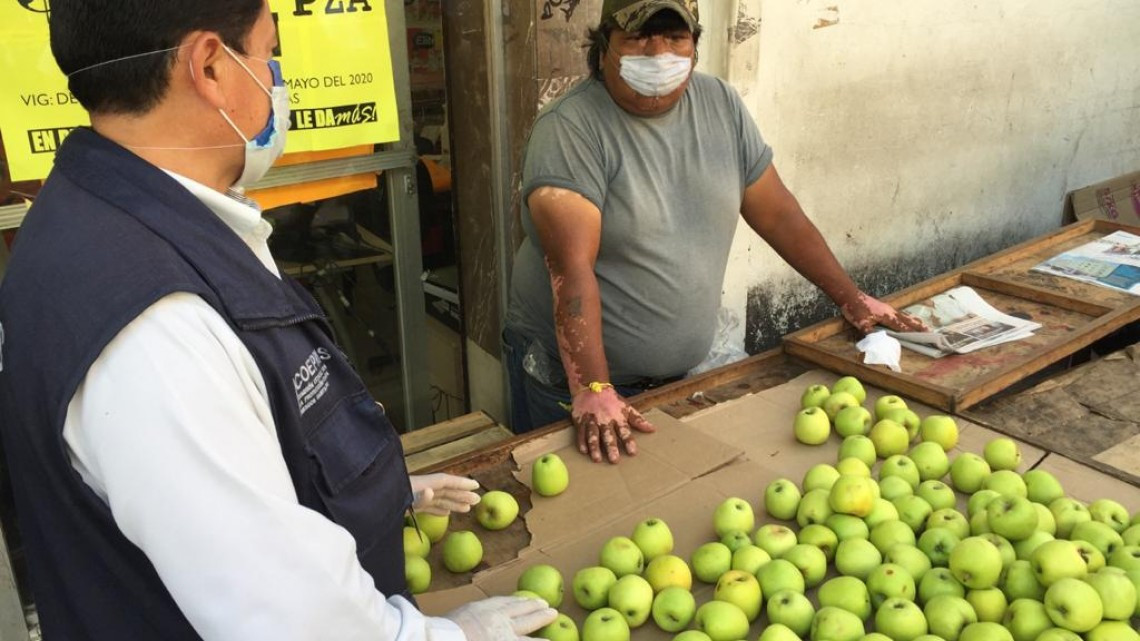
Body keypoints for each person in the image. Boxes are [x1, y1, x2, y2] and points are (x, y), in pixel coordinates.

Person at [0, 1, 555, 639]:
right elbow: (289, 621)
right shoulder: (152, 321)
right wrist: (447, 636)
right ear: (210, 66)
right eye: (268, 52)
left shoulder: (107, 215)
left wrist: (367, 496)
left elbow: (226, 474)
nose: (276, 76)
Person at [505, 0, 924, 462]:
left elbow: (778, 215)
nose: (658, 52)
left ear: (695, 46)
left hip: (682, 375)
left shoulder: (720, 105)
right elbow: (571, 269)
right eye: (639, 36)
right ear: (604, 44)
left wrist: (851, 297)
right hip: (573, 381)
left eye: (674, 37)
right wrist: (593, 387)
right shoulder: (570, 129)